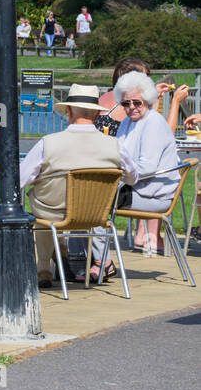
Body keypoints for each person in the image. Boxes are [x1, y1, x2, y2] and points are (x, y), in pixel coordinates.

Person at [19, 84, 137, 288]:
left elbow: (20, 180)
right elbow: (133, 177)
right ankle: (60, 251)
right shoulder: (115, 145)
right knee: (44, 209)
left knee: (40, 208)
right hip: (94, 215)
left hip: (53, 211)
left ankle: (44, 266)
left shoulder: (49, 143)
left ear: (69, 109)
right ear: (97, 114)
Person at [89, 71, 182, 270]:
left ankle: (101, 262)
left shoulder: (154, 123)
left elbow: (146, 168)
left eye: (137, 102)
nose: (131, 107)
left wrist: (116, 177)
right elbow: (118, 156)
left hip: (154, 194)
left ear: (147, 100)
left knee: (96, 200)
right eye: (126, 103)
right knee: (82, 196)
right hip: (133, 187)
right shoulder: (125, 123)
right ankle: (79, 259)